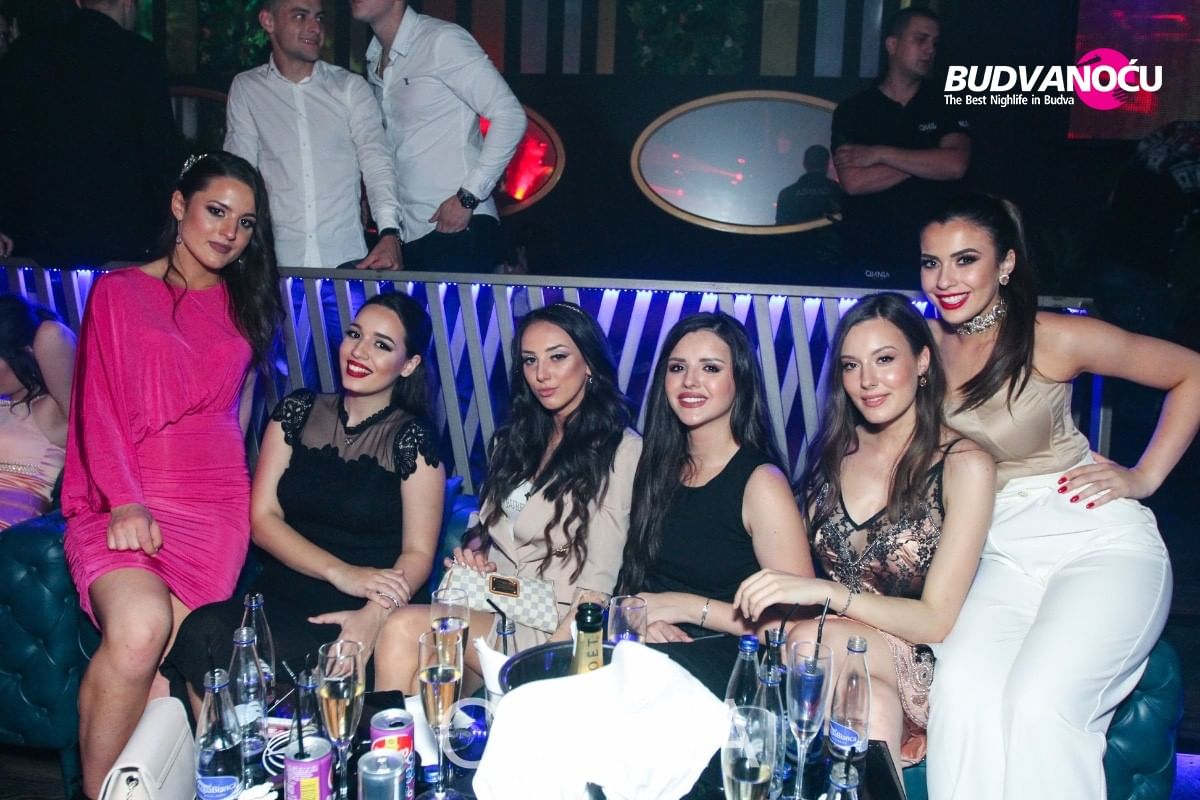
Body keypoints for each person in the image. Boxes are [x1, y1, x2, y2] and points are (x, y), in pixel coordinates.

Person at [918, 193, 1197, 799]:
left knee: (1040, 704)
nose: (945, 280)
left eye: (965, 260)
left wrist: (1145, 476)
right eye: (931, 262)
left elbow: (1191, 373)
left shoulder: (1051, 336)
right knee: (961, 699)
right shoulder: (924, 347)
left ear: (1006, 264)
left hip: (1094, 539)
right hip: (998, 550)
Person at [62, 151, 283, 796]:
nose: (229, 232)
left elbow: (239, 412)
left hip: (214, 508)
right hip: (126, 496)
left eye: (245, 223)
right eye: (216, 211)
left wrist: (247, 503)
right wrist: (125, 501)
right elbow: (97, 405)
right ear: (179, 204)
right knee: (139, 633)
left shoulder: (246, 304)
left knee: (166, 678)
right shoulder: (118, 291)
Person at [732, 293, 995, 775]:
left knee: (813, 641)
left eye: (885, 359)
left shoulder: (965, 465)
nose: (867, 380)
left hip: (916, 652)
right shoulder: (834, 453)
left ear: (922, 361)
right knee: (867, 701)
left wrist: (828, 593)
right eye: (851, 365)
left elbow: (936, 621)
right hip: (838, 656)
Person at [162, 292, 445, 711]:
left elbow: (418, 554)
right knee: (206, 632)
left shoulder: (413, 438)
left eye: (382, 345)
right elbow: (263, 518)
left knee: (309, 676)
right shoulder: (297, 411)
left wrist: (373, 615)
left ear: (408, 364)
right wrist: (341, 572)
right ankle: (224, 754)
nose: (359, 352)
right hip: (281, 594)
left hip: (359, 607)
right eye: (355, 335)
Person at [374, 302, 641, 692]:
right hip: (497, 606)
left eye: (558, 357)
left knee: (403, 627)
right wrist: (475, 555)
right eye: (530, 360)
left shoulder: (621, 450)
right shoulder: (516, 441)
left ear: (589, 364)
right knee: (422, 669)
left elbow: (597, 585)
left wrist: (547, 665)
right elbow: (493, 528)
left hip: (554, 627)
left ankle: (391, 734)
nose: (541, 374)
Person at [616, 312, 813, 672]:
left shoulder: (761, 483)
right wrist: (641, 619)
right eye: (677, 368)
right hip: (650, 648)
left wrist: (688, 607)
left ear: (740, 381)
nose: (690, 381)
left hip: (732, 660)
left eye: (710, 368)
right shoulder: (654, 466)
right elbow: (634, 583)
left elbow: (796, 626)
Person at [0, 0, 181, 265]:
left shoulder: (28, 51)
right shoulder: (140, 56)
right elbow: (160, 151)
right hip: (122, 231)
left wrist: (7, 219)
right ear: (128, 2)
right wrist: (172, 223)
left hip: (40, 229)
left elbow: (10, 145)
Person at [225, 0, 401, 272]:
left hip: (347, 261)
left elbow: (377, 162)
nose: (315, 27)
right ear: (268, 21)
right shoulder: (248, 88)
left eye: (319, 18)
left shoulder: (349, 87)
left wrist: (389, 232)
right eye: (300, 16)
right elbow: (239, 176)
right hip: (276, 265)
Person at [352, 0, 527, 272]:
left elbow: (510, 115)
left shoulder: (441, 40)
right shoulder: (375, 58)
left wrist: (468, 197)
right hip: (410, 234)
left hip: (459, 227)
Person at [831, 7, 970, 286]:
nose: (930, 50)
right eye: (921, 39)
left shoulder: (945, 105)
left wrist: (879, 154)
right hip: (868, 253)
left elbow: (955, 165)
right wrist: (928, 158)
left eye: (935, 43)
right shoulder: (854, 110)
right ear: (892, 45)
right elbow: (855, 182)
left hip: (934, 257)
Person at [0, 295, 76, 529]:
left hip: (10, 529)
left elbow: (52, 335)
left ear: (27, 352)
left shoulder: (52, 410)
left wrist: (27, 318)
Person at [775, 144, 842, 225]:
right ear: (827, 164)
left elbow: (781, 227)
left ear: (804, 163)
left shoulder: (787, 194)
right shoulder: (839, 191)